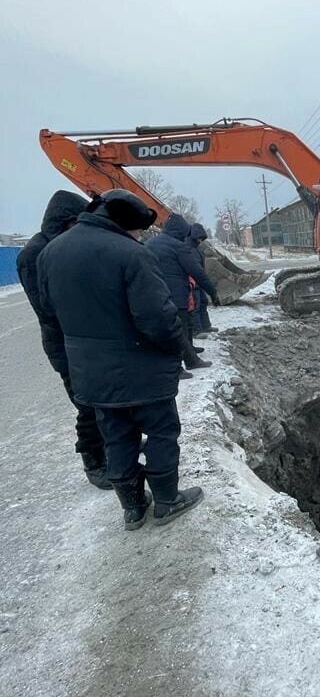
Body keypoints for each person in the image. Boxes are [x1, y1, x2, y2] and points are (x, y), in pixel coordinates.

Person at [37, 189, 204, 530]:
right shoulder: (131, 254)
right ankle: (167, 501)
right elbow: (157, 318)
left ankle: (133, 508)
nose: (140, 236)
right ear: (126, 223)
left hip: (91, 374)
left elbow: (49, 316)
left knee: (116, 437)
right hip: (142, 371)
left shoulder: (50, 253)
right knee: (160, 432)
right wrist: (177, 348)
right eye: (139, 230)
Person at [16, 191, 109, 489]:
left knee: (102, 400)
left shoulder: (60, 246)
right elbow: (48, 309)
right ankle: (94, 460)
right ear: (68, 221)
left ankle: (110, 447)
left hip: (85, 340)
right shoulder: (34, 254)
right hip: (66, 345)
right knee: (87, 405)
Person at [145, 213, 220, 373]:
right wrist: (212, 292)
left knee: (172, 329)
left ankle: (190, 356)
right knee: (181, 329)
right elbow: (197, 272)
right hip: (177, 295)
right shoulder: (179, 247)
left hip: (156, 294)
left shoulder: (149, 244)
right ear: (180, 231)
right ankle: (177, 367)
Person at [185, 223, 218, 336]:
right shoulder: (188, 248)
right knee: (195, 305)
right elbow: (193, 268)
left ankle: (206, 325)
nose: (200, 240)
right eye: (199, 238)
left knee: (203, 302)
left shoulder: (197, 248)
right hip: (193, 282)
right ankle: (196, 330)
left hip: (199, 281)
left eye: (202, 238)